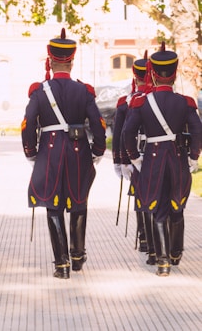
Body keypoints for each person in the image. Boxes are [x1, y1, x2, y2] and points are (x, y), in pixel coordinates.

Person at [21, 28, 106, 279]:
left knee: (53, 205)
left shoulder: (39, 90)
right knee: (79, 202)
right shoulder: (84, 91)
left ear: (50, 60)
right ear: (71, 60)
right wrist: (98, 151)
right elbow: (97, 123)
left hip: (50, 152)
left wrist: (31, 152)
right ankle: (78, 256)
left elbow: (28, 123)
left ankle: (61, 265)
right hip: (78, 151)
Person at [123, 43, 202, 276]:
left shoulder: (141, 102)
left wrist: (135, 159)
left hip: (153, 159)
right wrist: (194, 157)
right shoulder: (185, 102)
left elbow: (128, 132)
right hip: (177, 159)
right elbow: (197, 130)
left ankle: (163, 261)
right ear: (174, 74)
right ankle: (176, 253)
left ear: (153, 74)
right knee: (177, 207)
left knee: (157, 209)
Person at [112, 52, 153, 258]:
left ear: (135, 76)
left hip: (134, 154)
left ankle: (144, 238)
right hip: (156, 152)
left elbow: (120, 134)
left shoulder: (126, 101)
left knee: (139, 194)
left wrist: (121, 161)